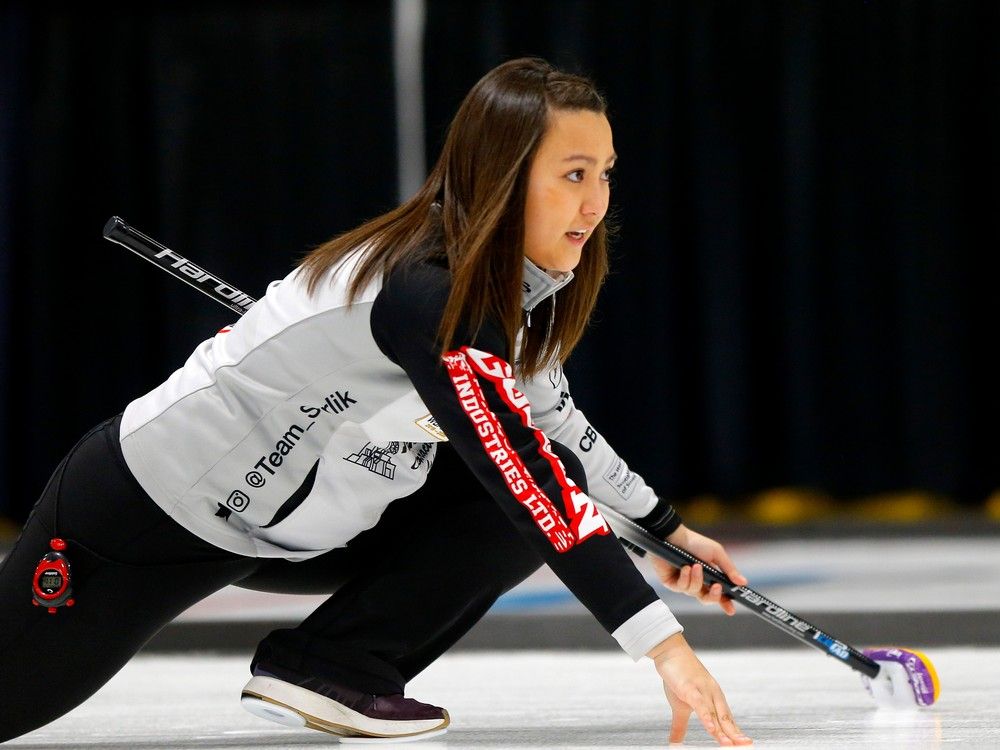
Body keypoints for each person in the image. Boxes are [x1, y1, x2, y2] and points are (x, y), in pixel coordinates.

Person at [0, 57, 752, 746]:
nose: (595, 204)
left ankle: (333, 665)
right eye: (574, 174)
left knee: (544, 475)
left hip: (295, 530)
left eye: (607, 174)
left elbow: (555, 433)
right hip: (147, 517)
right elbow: (527, 478)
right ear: (502, 173)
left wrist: (666, 530)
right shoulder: (428, 292)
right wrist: (664, 646)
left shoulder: (510, 293)